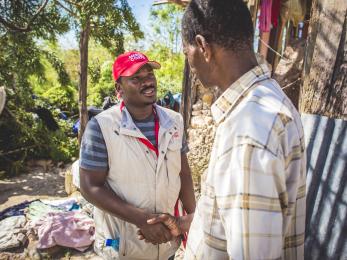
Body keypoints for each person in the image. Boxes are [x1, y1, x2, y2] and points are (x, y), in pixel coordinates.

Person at [148, 0, 306, 259]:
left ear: (202, 47)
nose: (191, 65)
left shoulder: (247, 131)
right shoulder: (266, 101)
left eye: (187, 52)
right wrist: (193, 223)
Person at [79, 51, 195, 260]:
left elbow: (184, 174)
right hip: (123, 245)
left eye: (149, 75)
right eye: (136, 78)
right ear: (119, 89)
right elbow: (90, 187)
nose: (147, 82)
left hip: (167, 242)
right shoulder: (102, 127)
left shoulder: (174, 121)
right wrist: (142, 219)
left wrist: (193, 220)